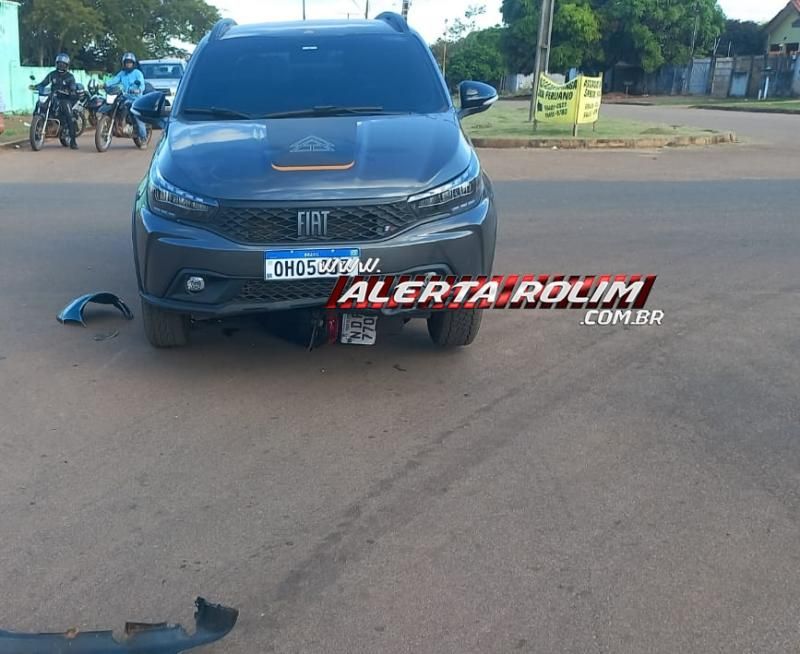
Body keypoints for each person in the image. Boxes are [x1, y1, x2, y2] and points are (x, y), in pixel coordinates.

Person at [29, 53, 78, 149]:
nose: (61, 65)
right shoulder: (52, 74)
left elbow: (72, 87)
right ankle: (36, 127)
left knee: (69, 116)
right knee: (39, 104)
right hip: (53, 96)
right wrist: (36, 86)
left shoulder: (70, 77)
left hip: (64, 98)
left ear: (67, 65)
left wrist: (71, 91)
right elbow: (44, 83)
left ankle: (73, 141)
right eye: (59, 63)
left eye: (63, 64)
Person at [103, 52, 148, 145]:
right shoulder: (122, 74)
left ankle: (143, 139)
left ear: (133, 63)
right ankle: (119, 124)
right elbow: (114, 80)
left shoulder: (137, 73)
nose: (128, 64)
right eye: (126, 62)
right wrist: (105, 84)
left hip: (136, 99)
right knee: (116, 105)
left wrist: (138, 90)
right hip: (125, 96)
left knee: (138, 117)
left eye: (130, 62)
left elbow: (142, 85)